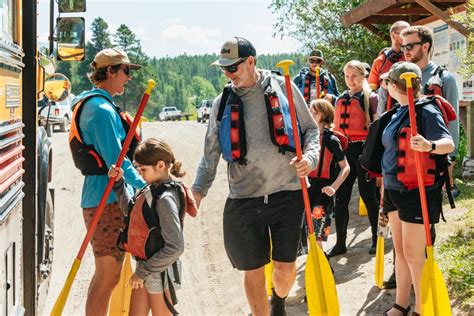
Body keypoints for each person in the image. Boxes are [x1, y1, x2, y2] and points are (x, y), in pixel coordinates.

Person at [192, 37, 319, 316]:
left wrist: (310, 159)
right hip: (244, 198)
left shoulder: (285, 88)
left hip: (287, 193)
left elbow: (311, 130)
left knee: (285, 271)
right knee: (252, 270)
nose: (228, 74)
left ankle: (279, 301)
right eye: (224, 69)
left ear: (251, 61)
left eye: (233, 67)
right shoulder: (221, 102)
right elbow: (210, 154)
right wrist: (197, 192)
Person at [69, 47, 146, 315]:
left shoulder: (94, 103)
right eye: (125, 71)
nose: (129, 77)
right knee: (108, 277)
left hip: (104, 197)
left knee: (106, 277)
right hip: (107, 201)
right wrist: (145, 188)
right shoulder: (100, 110)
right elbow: (118, 161)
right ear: (110, 71)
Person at [380, 61, 454, 316]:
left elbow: (448, 143)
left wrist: (428, 145)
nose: (385, 85)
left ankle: (423, 308)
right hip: (393, 189)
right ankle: (401, 303)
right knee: (399, 250)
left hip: (415, 189)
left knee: (413, 253)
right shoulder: (396, 112)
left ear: (394, 85)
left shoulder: (425, 110)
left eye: (387, 82)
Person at [109, 138, 188, 316]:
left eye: (143, 169)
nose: (140, 173)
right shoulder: (150, 189)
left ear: (160, 165)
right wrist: (119, 184)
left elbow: (176, 246)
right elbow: (131, 211)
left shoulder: (165, 199)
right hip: (146, 269)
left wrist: (143, 272)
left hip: (159, 272)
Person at [400, 25, 460, 197]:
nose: (406, 51)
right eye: (403, 47)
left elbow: (453, 119)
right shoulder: (398, 78)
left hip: (433, 154)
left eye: (410, 46)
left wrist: (450, 157)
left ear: (425, 46)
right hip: (405, 155)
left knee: (428, 212)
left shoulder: (443, 78)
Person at [329, 60, 380, 257]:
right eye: (347, 76)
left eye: (354, 76)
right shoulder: (340, 98)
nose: (350, 80)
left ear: (363, 76)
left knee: (368, 197)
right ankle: (340, 243)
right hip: (344, 152)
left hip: (363, 151)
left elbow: (376, 127)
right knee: (340, 199)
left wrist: (376, 155)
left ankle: (377, 238)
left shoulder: (370, 98)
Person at [300, 99, 350, 256]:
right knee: (308, 233)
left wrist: (333, 187)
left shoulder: (331, 139)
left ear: (324, 115)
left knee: (318, 233)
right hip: (305, 187)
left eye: (314, 112)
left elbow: (345, 167)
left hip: (322, 191)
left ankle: (324, 267)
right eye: (309, 111)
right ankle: (318, 265)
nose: (310, 114)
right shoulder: (305, 137)